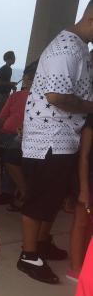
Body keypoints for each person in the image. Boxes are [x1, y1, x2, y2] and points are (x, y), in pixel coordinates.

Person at [19, 0, 93, 284]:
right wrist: (90, 107)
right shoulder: (65, 50)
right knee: (39, 199)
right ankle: (28, 255)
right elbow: (57, 97)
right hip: (49, 138)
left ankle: (42, 242)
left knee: (51, 198)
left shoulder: (78, 47)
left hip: (63, 138)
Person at [0, 69, 35, 209]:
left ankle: (9, 192)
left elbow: (1, 118)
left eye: (26, 78)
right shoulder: (40, 99)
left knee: (9, 153)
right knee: (12, 151)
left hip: (14, 135)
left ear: (28, 80)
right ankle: (16, 190)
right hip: (21, 136)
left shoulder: (17, 96)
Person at [69, 114, 93, 282]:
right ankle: (76, 269)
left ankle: (86, 263)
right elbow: (83, 156)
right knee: (82, 221)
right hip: (88, 177)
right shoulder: (91, 119)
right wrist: (84, 188)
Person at [0, 50, 17, 118]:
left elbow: (4, 81)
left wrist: (11, 85)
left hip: (4, 94)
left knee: (1, 113)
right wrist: (10, 83)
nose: (14, 59)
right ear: (8, 59)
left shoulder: (8, 69)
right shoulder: (4, 69)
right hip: (0, 95)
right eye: (13, 57)